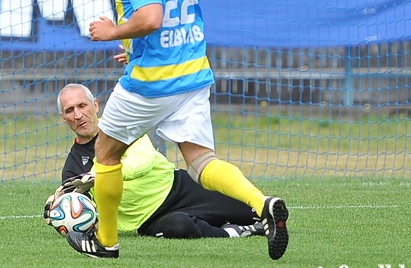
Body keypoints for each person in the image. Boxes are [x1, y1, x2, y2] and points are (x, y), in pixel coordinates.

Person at [66, 0, 289, 260]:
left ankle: (106, 242)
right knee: (202, 163)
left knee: (105, 155)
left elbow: (152, 18)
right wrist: (135, 48)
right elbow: (173, 24)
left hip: (152, 83)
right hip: (194, 75)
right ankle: (262, 203)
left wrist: (112, 32)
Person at [46, 84, 264, 240]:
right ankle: (234, 232)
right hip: (150, 219)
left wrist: (99, 175)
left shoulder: (120, 128)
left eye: (82, 106)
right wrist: (58, 212)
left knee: (258, 213)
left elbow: (144, 161)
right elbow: (81, 212)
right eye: (69, 110)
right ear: (62, 118)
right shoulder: (73, 167)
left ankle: (239, 219)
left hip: (179, 188)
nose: (78, 115)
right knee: (180, 227)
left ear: (95, 105)